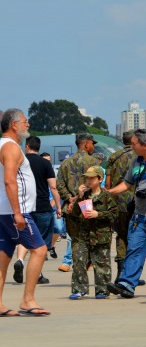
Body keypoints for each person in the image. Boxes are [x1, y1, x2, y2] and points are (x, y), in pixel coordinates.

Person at [107, 129, 146, 298]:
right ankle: (127, 284)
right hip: (139, 218)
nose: (131, 147)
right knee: (134, 250)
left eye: (134, 144)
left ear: (145, 145)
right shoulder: (135, 162)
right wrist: (109, 192)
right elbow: (126, 185)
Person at [0, 108, 50, 316]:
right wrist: (18, 213)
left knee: (3, 257)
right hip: (15, 213)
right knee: (40, 250)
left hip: (4, 212)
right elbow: (10, 180)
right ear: (14, 125)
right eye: (24, 121)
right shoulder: (11, 147)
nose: (27, 125)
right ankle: (27, 299)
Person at [13, 136, 62, 285]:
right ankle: (38, 274)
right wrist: (58, 206)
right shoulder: (45, 164)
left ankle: (20, 260)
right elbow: (53, 187)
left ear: (27, 147)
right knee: (39, 243)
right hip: (42, 207)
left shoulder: (20, 162)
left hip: (24, 207)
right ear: (39, 148)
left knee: (24, 236)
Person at [68, 166, 117, 299]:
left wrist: (98, 214)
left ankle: (102, 290)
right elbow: (74, 213)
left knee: (101, 263)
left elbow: (114, 213)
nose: (88, 180)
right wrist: (80, 197)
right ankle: (79, 289)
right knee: (79, 260)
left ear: (100, 179)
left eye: (92, 178)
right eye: (87, 178)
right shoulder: (84, 195)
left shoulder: (107, 196)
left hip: (101, 234)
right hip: (83, 235)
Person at [56, 133, 98, 273]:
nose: (93, 146)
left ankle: (76, 269)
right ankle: (84, 266)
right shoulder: (93, 162)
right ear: (86, 144)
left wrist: (70, 198)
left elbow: (59, 185)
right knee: (90, 240)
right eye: (92, 143)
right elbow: (97, 185)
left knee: (75, 241)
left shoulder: (65, 163)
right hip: (88, 207)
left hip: (71, 208)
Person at [105, 130, 136, 283]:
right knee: (135, 237)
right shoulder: (139, 156)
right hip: (136, 201)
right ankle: (131, 273)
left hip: (117, 201)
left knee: (121, 236)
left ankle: (121, 272)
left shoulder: (113, 156)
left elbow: (108, 183)